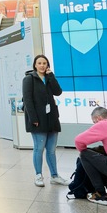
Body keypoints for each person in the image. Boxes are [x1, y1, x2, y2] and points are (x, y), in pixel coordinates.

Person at [22, 54, 69, 187]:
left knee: (51, 150)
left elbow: (58, 92)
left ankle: (54, 176)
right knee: (39, 148)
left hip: (52, 118)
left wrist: (51, 76)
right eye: (39, 63)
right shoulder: (29, 79)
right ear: (35, 65)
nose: (42, 65)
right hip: (38, 119)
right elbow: (28, 100)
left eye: (44, 63)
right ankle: (38, 175)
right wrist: (34, 118)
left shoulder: (49, 78)